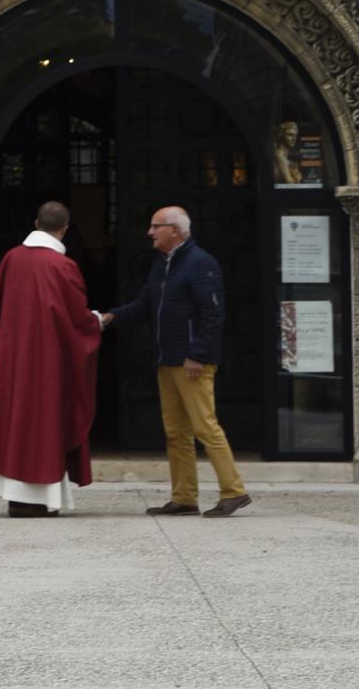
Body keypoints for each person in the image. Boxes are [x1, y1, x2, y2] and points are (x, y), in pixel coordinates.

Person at [102, 206, 251, 518]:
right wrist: (110, 317)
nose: (150, 232)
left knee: (204, 427)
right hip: (167, 360)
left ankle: (233, 491)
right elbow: (144, 305)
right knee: (176, 431)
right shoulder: (162, 264)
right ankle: (184, 497)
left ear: (175, 230)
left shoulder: (200, 263)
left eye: (156, 226)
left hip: (190, 362)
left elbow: (213, 314)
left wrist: (197, 354)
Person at [0, 200, 103, 518]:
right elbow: (76, 320)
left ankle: (16, 497)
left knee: (15, 419)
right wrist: (97, 321)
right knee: (44, 424)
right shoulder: (62, 267)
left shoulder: (11, 260)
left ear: (36, 223)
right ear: (65, 230)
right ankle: (42, 498)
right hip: (47, 367)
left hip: (12, 363)